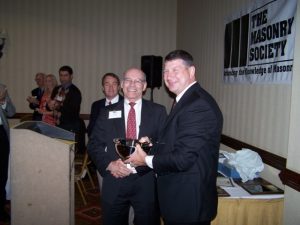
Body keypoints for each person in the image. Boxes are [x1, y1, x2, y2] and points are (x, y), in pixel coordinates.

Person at [126, 50, 223, 225]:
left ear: (191, 71)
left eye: (175, 70)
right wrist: (151, 145)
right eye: (166, 71)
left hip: (189, 204)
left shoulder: (198, 105)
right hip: (179, 200)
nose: (169, 76)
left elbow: (183, 158)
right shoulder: (184, 100)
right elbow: (176, 143)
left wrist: (145, 160)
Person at [87, 68, 167, 225]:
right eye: (129, 80)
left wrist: (146, 157)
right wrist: (110, 165)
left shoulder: (158, 111)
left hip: (145, 180)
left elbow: (165, 145)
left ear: (144, 86)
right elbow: (93, 144)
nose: (133, 84)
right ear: (122, 85)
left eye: (138, 81)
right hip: (115, 178)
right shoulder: (106, 112)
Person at [49, 65, 83, 152]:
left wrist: (57, 106)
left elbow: (73, 110)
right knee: (57, 153)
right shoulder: (57, 89)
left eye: (65, 75)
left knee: (68, 154)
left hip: (70, 127)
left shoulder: (75, 91)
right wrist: (49, 105)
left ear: (71, 76)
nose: (63, 78)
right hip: (57, 125)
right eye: (61, 75)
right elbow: (49, 105)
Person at [0, 83, 16, 223]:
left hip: (1, 134)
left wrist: (3, 101)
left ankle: (1, 207)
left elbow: (11, 112)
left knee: (3, 172)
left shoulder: (2, 89)